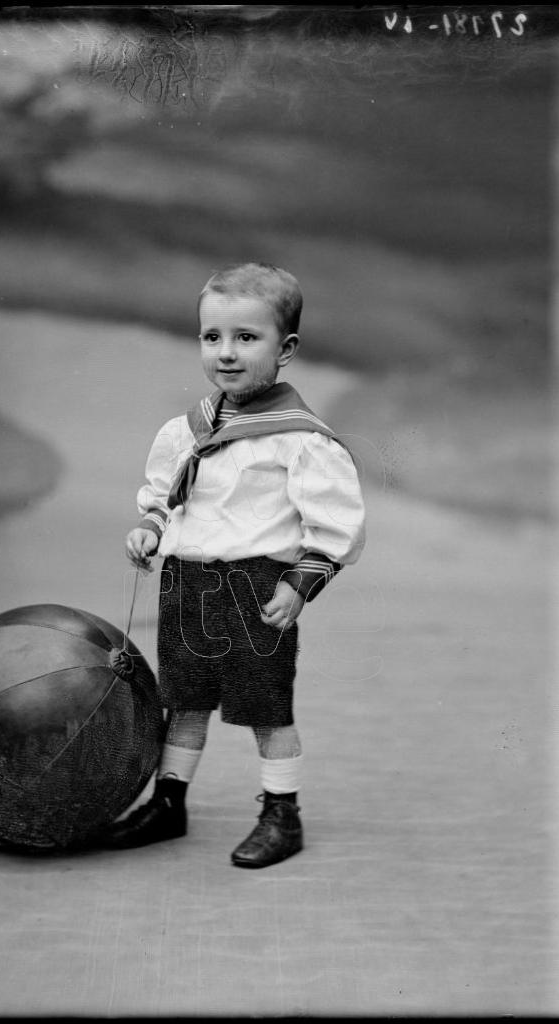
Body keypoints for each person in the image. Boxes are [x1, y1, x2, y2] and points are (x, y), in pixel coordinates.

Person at [104, 262, 366, 868]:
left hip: (255, 589)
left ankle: (282, 813)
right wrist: (150, 530)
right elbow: (165, 499)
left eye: (247, 338)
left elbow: (336, 526)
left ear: (286, 349)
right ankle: (169, 803)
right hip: (186, 585)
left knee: (266, 710)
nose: (225, 352)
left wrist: (301, 585)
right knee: (184, 702)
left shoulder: (300, 440)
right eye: (211, 336)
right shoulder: (185, 432)